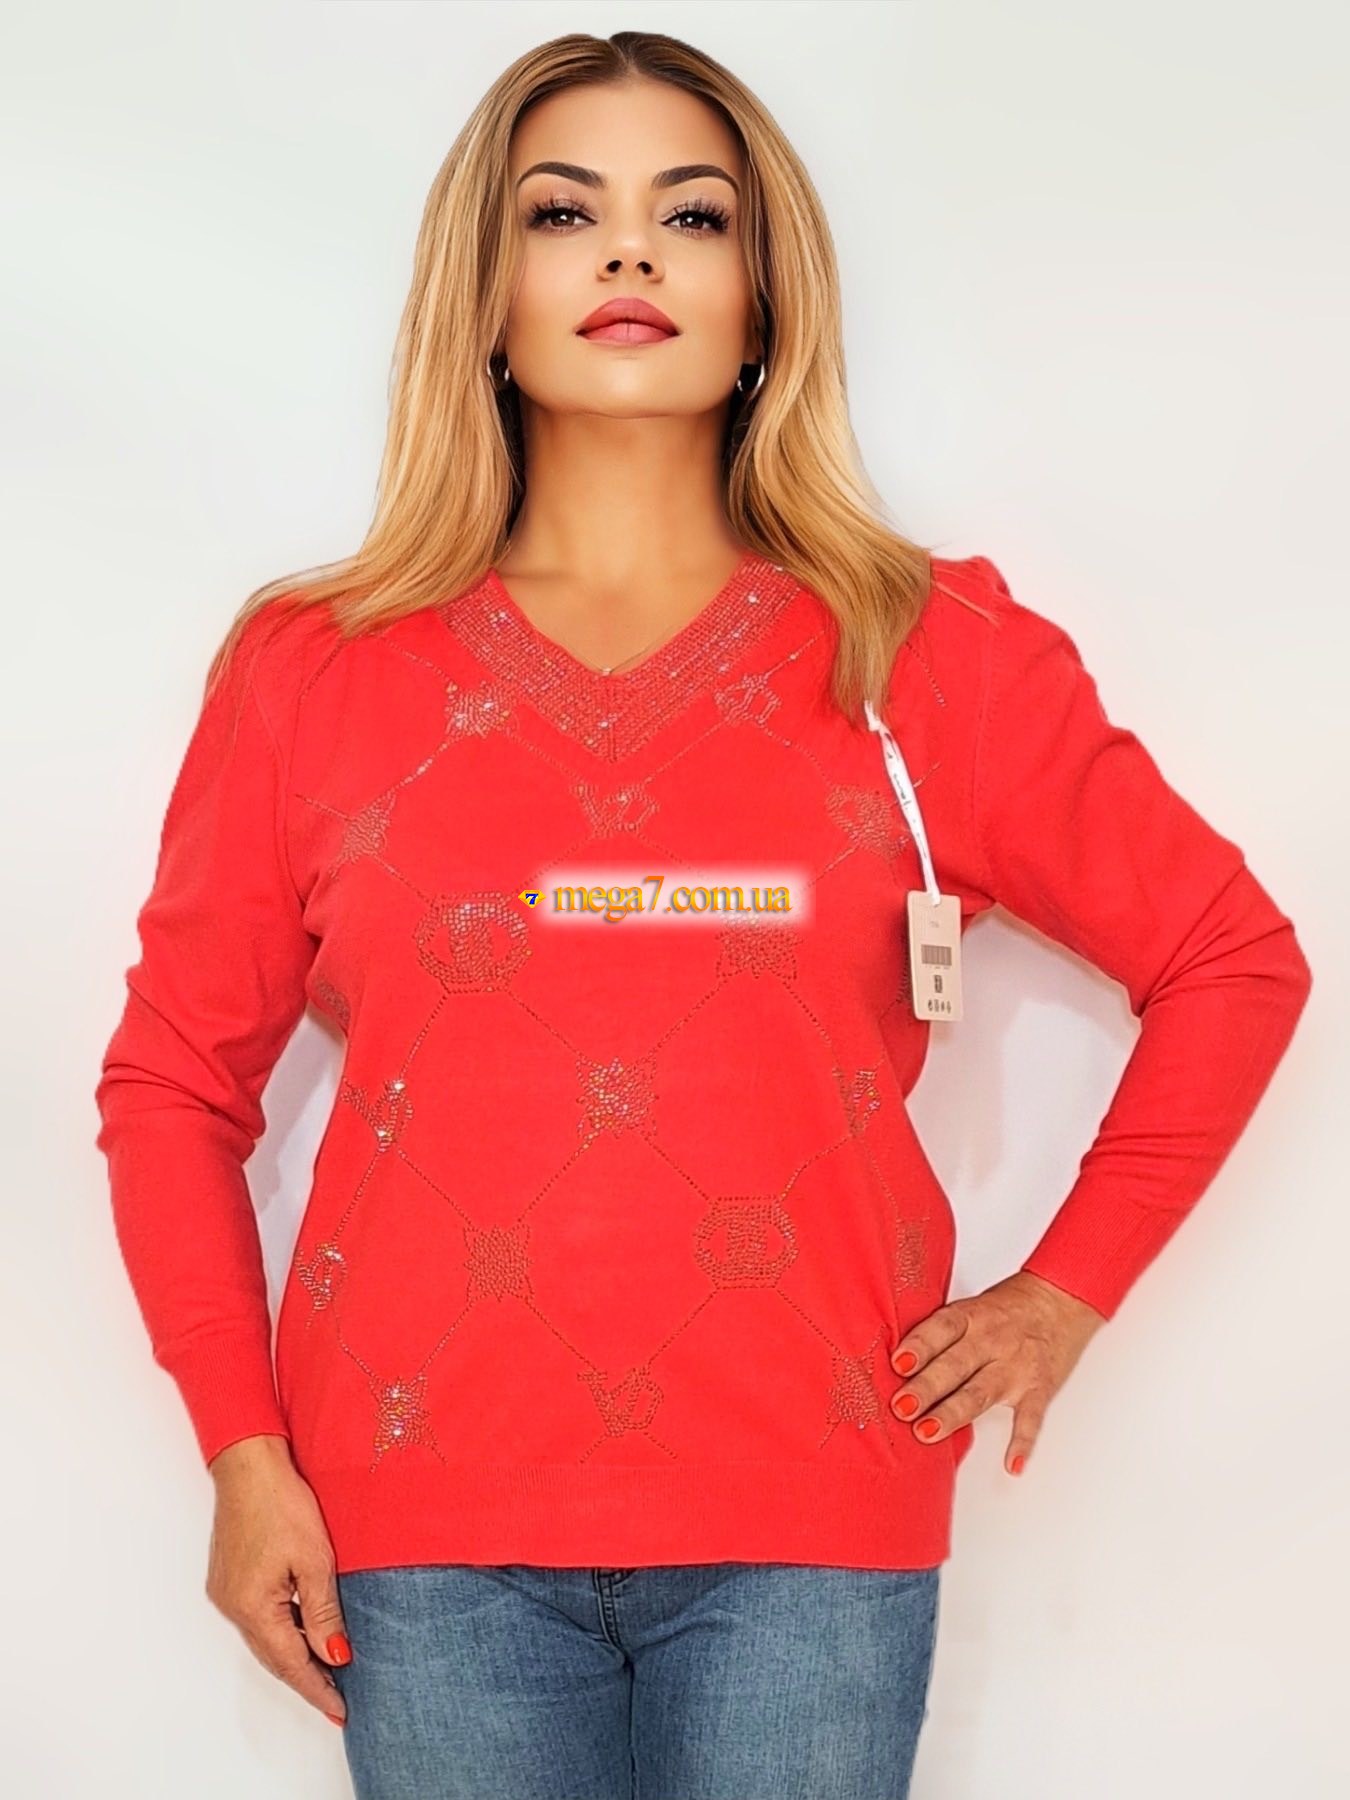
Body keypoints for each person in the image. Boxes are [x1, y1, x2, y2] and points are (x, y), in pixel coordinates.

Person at [93, 29, 1313, 1800]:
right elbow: (170, 1088)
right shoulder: (314, 671)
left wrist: (1062, 1294)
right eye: (560, 211)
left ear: (762, 303)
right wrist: (238, 1452)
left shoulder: (929, 652)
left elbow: (1230, 959)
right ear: (483, 296)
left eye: (691, 213)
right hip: (413, 1529)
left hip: (812, 1532)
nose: (628, 249)